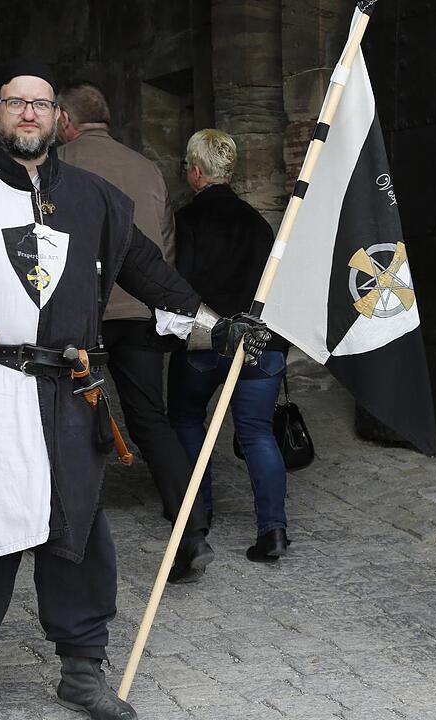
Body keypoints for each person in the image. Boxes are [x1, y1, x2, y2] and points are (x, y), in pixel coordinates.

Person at [0, 60, 269, 720]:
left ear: (59, 119)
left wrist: (216, 327)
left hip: (69, 391)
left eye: (41, 104)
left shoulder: (92, 198)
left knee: (76, 532)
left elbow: (149, 274)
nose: (29, 113)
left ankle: (81, 669)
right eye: (15, 102)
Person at [56, 80, 213, 584]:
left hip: (86, 314)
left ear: (65, 119)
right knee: (151, 419)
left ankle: (66, 528)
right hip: (145, 310)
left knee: (66, 415)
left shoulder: (61, 166)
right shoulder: (146, 167)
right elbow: (162, 244)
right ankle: (191, 524)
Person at [166, 129, 291, 563]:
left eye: (186, 168)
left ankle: (199, 516)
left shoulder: (186, 221)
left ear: (196, 172)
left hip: (206, 339)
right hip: (261, 342)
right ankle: (273, 531)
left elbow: (177, 282)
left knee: (184, 418)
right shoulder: (260, 224)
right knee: (257, 433)